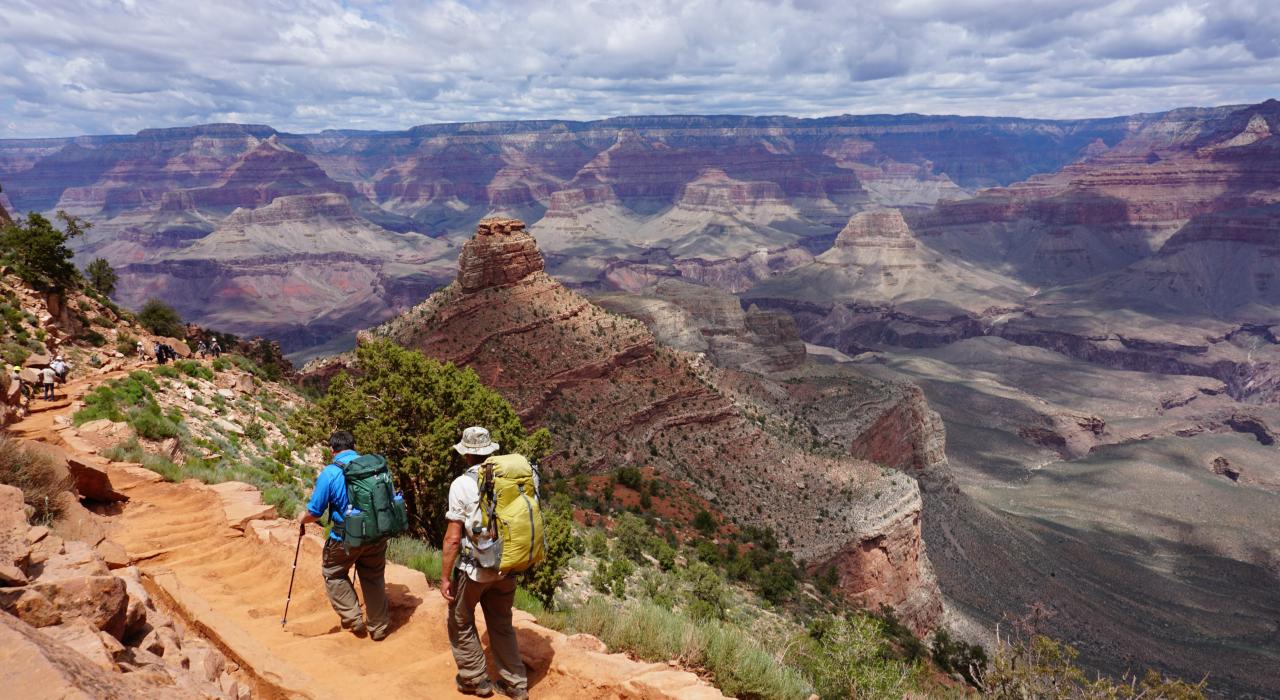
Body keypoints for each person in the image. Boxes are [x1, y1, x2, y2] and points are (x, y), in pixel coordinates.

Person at [442, 426, 528, 700]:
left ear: (467, 455)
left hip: (475, 570)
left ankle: (475, 679)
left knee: (460, 619)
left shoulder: (462, 484)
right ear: (491, 451)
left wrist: (445, 577)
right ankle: (516, 684)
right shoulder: (510, 479)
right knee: (501, 622)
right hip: (508, 565)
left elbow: (453, 538)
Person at [298, 431, 390, 641]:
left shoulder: (330, 473)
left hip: (346, 537)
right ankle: (379, 626)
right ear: (354, 446)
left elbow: (315, 512)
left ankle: (353, 617)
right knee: (373, 576)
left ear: (332, 450)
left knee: (333, 572)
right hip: (376, 535)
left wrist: (300, 520)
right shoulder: (374, 467)